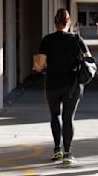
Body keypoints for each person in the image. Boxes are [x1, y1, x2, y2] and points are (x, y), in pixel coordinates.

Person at [33, 9, 92, 164]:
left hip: (53, 84)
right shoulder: (77, 39)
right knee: (68, 118)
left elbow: (39, 65)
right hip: (72, 84)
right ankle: (68, 153)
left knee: (55, 116)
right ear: (69, 22)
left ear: (55, 22)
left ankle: (57, 149)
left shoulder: (47, 40)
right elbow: (90, 60)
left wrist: (39, 65)